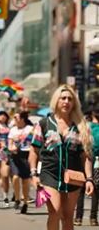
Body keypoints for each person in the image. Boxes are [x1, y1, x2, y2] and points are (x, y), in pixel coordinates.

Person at [30, 85, 95, 230]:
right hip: (49, 174)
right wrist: (34, 173)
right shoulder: (44, 124)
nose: (66, 101)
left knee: (67, 216)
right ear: (56, 101)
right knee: (55, 211)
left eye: (70, 99)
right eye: (63, 98)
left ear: (74, 103)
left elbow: (86, 156)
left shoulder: (81, 126)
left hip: (73, 175)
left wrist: (89, 178)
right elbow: (33, 151)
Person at [74, 108, 99, 226]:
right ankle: (93, 218)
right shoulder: (89, 127)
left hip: (84, 159)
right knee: (95, 190)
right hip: (94, 161)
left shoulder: (86, 126)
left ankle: (78, 218)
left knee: (81, 189)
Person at [8, 111, 34, 214]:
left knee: (25, 181)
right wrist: (11, 148)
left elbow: (35, 141)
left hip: (26, 155)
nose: (14, 119)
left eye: (16, 117)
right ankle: (17, 198)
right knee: (15, 177)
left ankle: (25, 202)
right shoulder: (13, 130)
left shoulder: (30, 129)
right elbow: (9, 144)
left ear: (22, 119)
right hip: (15, 156)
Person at [0, 111, 12, 208]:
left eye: (5, 115)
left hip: (6, 152)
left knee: (5, 175)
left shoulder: (9, 128)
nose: (3, 117)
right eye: (0, 115)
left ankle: (5, 196)